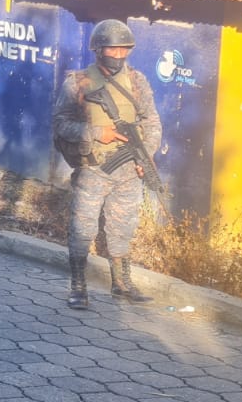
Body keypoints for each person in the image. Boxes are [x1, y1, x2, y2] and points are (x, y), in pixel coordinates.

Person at [54, 18, 162, 310]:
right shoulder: (78, 82)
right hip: (94, 170)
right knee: (82, 228)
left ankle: (122, 283)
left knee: (123, 226)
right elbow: (61, 124)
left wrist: (146, 154)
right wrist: (94, 132)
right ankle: (78, 286)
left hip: (129, 171)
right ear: (98, 49)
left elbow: (151, 121)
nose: (118, 56)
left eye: (123, 50)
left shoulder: (137, 81)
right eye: (112, 50)